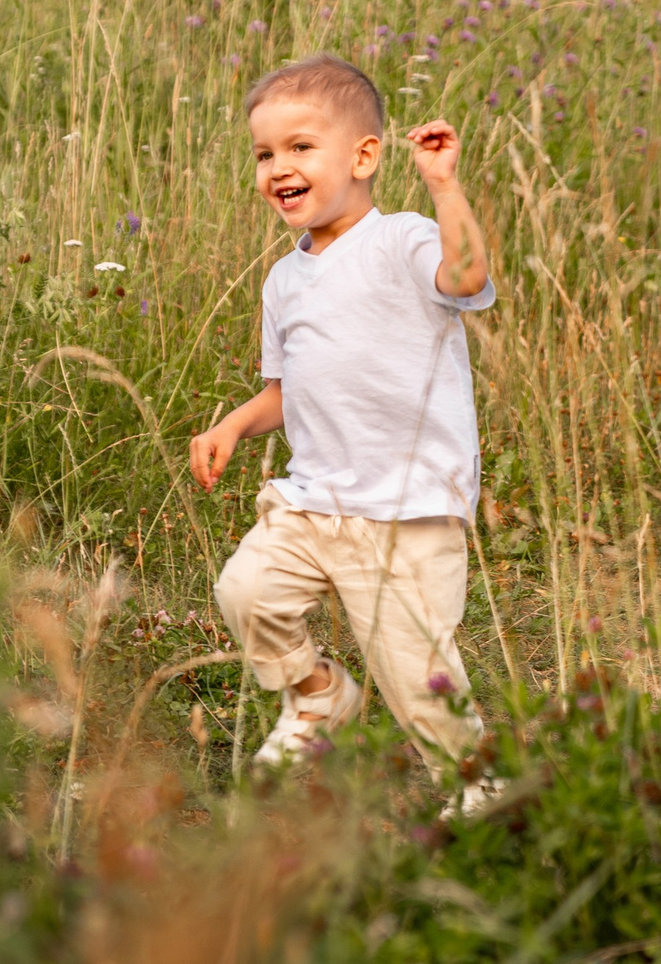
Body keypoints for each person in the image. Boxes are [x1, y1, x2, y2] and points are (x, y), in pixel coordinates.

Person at [190, 53, 496, 777]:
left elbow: (467, 276)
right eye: (265, 152)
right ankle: (317, 692)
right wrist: (233, 424)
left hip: (407, 506)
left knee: (418, 675)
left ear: (363, 156)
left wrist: (445, 186)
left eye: (300, 146)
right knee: (246, 592)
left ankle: (477, 780)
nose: (278, 166)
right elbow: (285, 389)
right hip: (316, 498)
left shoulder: (404, 238)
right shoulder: (283, 279)